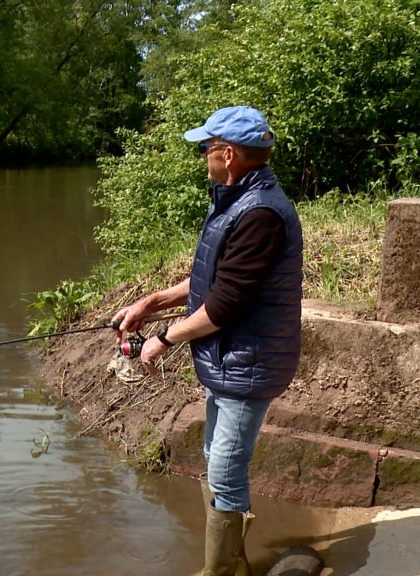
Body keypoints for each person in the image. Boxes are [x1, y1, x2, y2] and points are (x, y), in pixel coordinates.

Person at [111, 106, 303, 576]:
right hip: (230, 358)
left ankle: (223, 572)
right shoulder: (237, 199)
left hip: (248, 360)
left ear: (228, 154)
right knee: (216, 461)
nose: (203, 158)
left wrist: (163, 339)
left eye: (205, 149)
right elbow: (214, 279)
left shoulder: (260, 214)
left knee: (225, 472)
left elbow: (224, 305)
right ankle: (229, 564)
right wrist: (152, 301)